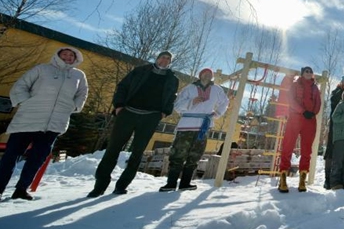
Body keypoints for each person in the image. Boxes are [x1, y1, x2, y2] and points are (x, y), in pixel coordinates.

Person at [1, 47, 88, 200]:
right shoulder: (42, 69)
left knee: (38, 157)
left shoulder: (78, 76)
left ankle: (21, 189)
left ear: (76, 59)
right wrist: (26, 102)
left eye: (71, 55)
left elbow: (82, 94)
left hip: (53, 124)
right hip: (28, 119)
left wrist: (74, 107)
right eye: (64, 54)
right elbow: (21, 85)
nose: (67, 57)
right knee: (11, 155)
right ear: (57, 56)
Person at [88, 51, 179, 197]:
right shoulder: (141, 71)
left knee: (137, 153)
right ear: (157, 58)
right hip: (128, 113)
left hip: (150, 117)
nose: (165, 60)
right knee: (113, 149)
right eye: (162, 57)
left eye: (168, 58)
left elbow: (171, 98)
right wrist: (119, 106)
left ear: (170, 62)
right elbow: (122, 86)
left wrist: (164, 112)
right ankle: (99, 186)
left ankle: (122, 186)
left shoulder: (172, 79)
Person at [159, 67, 229, 192]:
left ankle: (185, 183)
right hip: (186, 125)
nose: (207, 75)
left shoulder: (216, 89)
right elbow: (177, 105)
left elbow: (225, 101)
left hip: (203, 127)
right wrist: (192, 101)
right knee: (178, 155)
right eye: (205, 73)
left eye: (209, 74)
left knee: (195, 156)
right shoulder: (189, 88)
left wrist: (217, 114)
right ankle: (170, 183)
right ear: (200, 75)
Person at [277, 66, 321, 193]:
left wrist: (313, 113)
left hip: (310, 120)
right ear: (302, 73)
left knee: (307, 149)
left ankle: (302, 178)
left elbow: (318, 102)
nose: (309, 73)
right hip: (295, 118)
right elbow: (291, 100)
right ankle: (283, 177)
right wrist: (302, 111)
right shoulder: (295, 85)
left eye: (311, 71)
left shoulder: (315, 88)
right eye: (306, 71)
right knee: (288, 145)